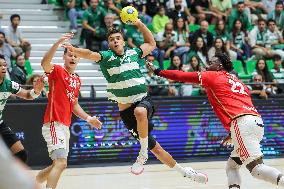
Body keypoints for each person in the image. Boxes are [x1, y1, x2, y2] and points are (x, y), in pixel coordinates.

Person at [63, 20, 207, 183]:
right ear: (109, 45)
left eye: (118, 38)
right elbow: (89, 53)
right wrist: (73, 49)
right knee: (158, 149)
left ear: (123, 41)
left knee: (140, 111)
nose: (115, 41)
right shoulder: (106, 57)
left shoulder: (134, 53)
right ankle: (185, 172)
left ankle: (143, 153)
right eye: (112, 40)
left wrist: (139, 23)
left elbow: (151, 43)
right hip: (126, 112)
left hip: (143, 101)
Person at [147, 53, 284, 189]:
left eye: (211, 62)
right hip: (256, 122)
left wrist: (158, 71)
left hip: (242, 124)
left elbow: (182, 76)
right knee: (232, 166)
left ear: (219, 66)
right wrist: (233, 134)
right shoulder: (237, 81)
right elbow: (239, 101)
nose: (207, 65)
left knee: (256, 168)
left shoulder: (212, 75)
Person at [35, 33, 102, 189]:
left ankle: (34, 182)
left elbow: (74, 105)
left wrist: (88, 118)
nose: (73, 57)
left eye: (75, 55)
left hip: (64, 127)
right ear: (64, 57)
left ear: (79, 58)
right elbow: (44, 62)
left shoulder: (77, 80)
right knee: (61, 163)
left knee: (58, 165)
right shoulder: (57, 70)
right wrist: (58, 42)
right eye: (70, 55)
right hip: (53, 123)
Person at [0, 54, 44, 163]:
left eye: (5, 65)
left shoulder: (9, 84)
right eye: (0, 65)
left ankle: (9, 179)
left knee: (21, 154)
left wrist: (36, 91)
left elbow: (28, 95)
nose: (3, 67)